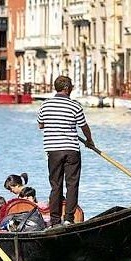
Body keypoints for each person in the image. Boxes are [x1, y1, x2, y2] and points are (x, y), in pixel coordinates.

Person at [37, 75, 94, 228]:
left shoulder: (45, 105)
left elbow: (40, 125)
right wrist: (89, 140)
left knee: (55, 185)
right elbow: (84, 126)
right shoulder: (75, 106)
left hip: (53, 151)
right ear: (67, 88)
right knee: (72, 184)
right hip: (71, 149)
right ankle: (68, 218)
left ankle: (55, 221)